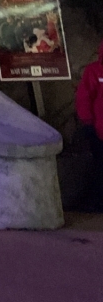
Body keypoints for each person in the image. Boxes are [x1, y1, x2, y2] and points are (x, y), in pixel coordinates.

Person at [75, 40, 103, 211]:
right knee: (100, 167)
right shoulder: (94, 71)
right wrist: (88, 123)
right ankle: (97, 202)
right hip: (99, 130)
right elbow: (84, 97)